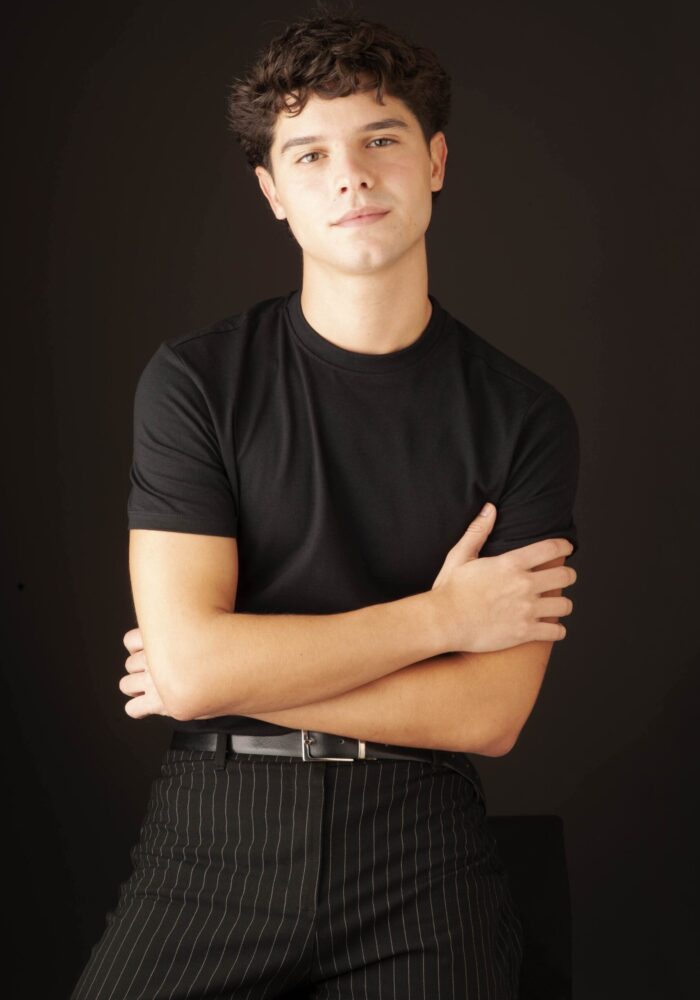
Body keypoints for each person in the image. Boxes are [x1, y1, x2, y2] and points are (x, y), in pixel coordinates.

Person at [69, 7, 579, 999]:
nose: (350, 176)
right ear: (273, 192)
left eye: (380, 140)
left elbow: (488, 715)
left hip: (421, 843)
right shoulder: (195, 382)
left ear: (435, 162)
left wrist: (215, 676)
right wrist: (441, 620)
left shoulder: (525, 416)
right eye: (309, 154)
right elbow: (192, 664)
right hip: (217, 827)